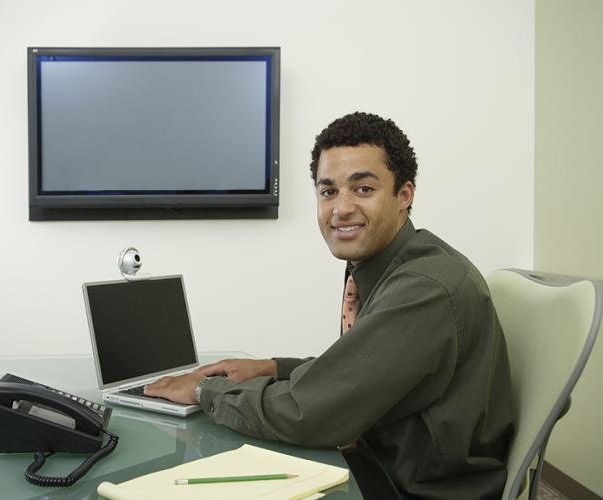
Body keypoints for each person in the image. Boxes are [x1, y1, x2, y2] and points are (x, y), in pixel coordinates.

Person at [144, 112, 514, 499]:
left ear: (404, 195)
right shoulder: (382, 264)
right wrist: (273, 368)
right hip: (383, 464)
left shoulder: (424, 289)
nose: (341, 209)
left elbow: (312, 413)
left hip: (408, 488)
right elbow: (362, 372)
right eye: (328, 191)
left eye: (364, 189)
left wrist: (205, 391)